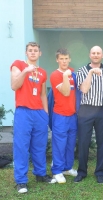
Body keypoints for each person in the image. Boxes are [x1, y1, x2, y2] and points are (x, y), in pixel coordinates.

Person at [10, 42, 56, 194]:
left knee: (39, 145)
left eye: (36, 50)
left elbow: (43, 94)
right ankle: (21, 181)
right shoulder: (18, 65)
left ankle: (40, 174)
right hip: (23, 111)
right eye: (30, 50)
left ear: (39, 53)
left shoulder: (42, 72)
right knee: (22, 146)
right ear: (26, 53)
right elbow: (14, 85)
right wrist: (25, 71)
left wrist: (45, 113)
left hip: (39, 113)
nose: (33, 53)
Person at [74, 46, 103, 184]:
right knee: (83, 142)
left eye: (98, 53)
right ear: (89, 55)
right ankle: (81, 171)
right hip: (86, 110)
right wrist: (91, 73)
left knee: (102, 142)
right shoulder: (82, 71)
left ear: (102, 55)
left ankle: (100, 172)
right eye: (93, 53)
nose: (95, 55)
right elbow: (84, 89)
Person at [49, 48, 79, 183]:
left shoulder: (73, 74)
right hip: (60, 115)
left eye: (66, 58)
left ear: (70, 59)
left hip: (72, 115)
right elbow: (66, 92)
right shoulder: (55, 75)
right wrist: (66, 76)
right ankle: (57, 170)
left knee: (70, 144)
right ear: (57, 60)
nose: (64, 61)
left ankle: (67, 167)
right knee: (59, 144)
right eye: (61, 58)